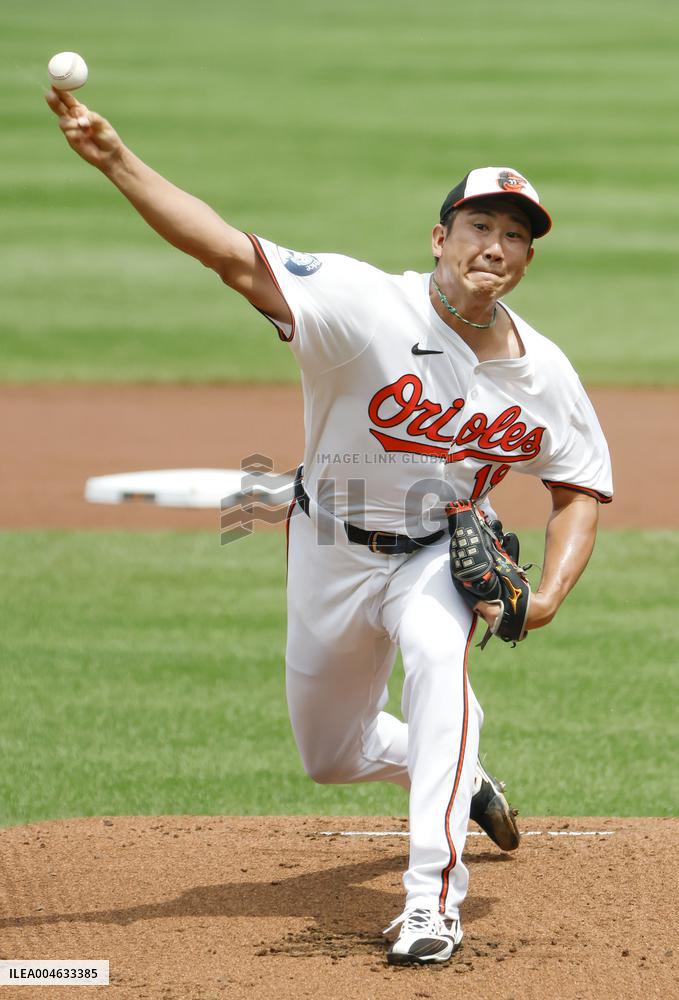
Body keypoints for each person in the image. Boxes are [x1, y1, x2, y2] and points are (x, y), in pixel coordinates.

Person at [45, 89, 612, 966]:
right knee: (330, 753)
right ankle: (457, 773)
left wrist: (546, 598)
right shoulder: (362, 304)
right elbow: (227, 253)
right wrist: (117, 160)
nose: (494, 246)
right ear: (439, 238)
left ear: (527, 260)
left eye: (514, 235)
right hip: (325, 545)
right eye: (478, 226)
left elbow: (577, 486)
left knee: (440, 672)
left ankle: (430, 903)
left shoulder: (545, 373)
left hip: (439, 554)